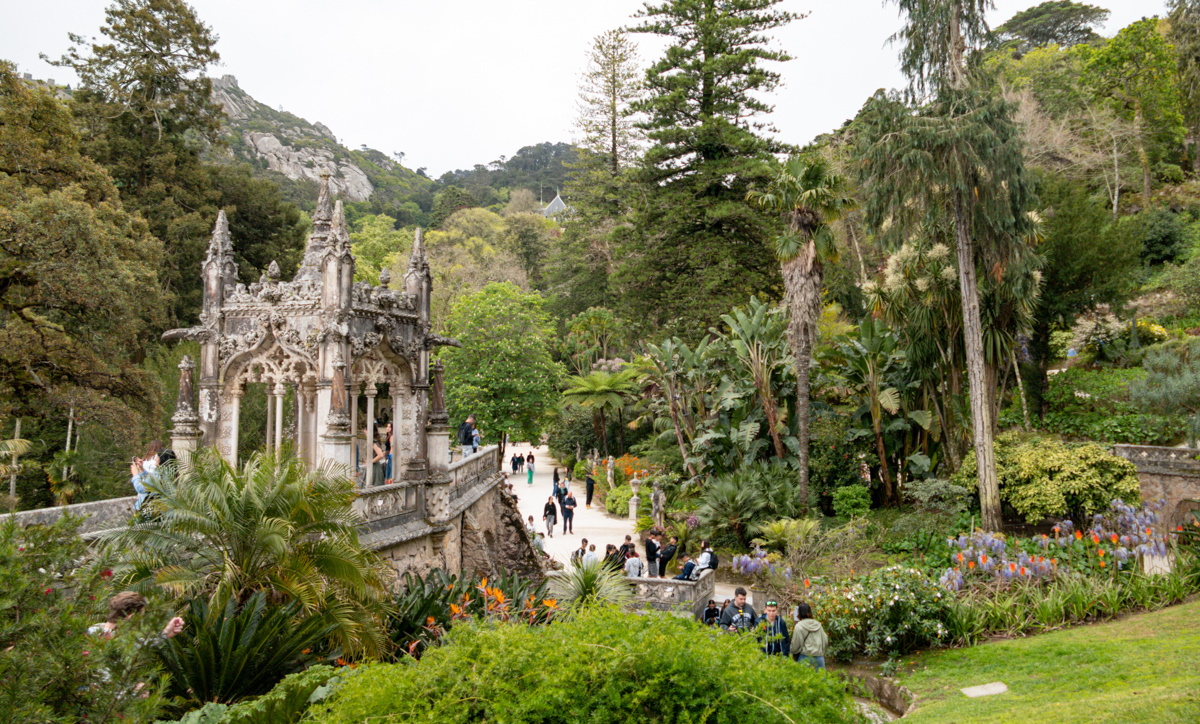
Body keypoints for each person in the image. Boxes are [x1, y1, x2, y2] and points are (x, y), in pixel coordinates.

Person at [90, 591, 185, 643]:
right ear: (131, 616)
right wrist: (164, 634)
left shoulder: (92, 630)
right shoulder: (121, 641)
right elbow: (138, 645)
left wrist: (165, 634)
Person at [791, 602, 829, 670]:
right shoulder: (818, 625)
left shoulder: (799, 626)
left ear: (799, 613)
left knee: (803, 679)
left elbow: (796, 645)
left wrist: (792, 652)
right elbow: (825, 640)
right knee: (821, 680)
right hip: (819, 657)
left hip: (804, 657)